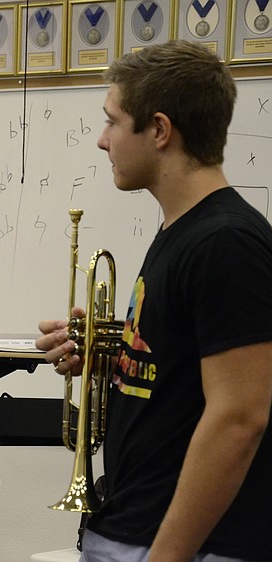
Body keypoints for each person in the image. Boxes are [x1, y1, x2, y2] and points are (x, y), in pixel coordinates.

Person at [36, 40, 272, 562]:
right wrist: (108, 353)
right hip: (130, 527)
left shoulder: (225, 242)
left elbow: (240, 417)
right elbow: (181, 369)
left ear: (160, 130)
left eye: (113, 122)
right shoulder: (181, 230)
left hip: (183, 547)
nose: (102, 141)